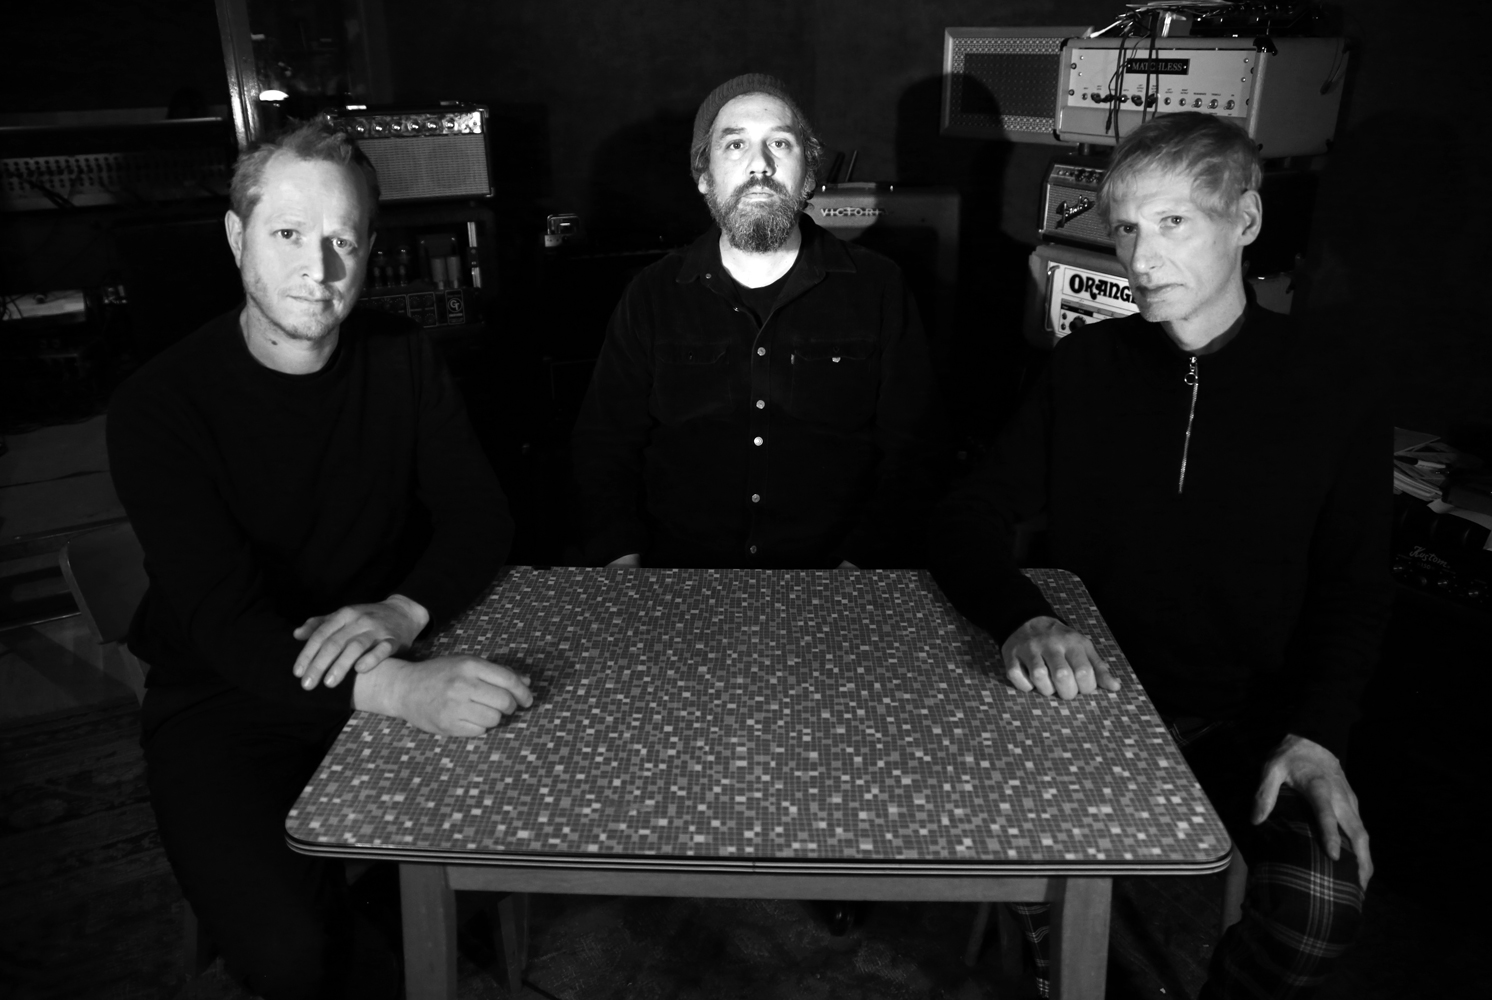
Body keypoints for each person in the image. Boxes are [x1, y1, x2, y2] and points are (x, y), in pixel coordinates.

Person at [930, 113, 1389, 999]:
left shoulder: (1337, 385)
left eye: (1173, 222)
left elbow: (1355, 587)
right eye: (1127, 229)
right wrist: (1026, 618)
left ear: (1245, 220)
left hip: (1252, 718)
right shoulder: (1086, 364)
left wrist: (1319, 735)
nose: (1142, 258)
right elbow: (967, 516)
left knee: (1318, 915)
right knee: (1046, 886)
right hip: (1093, 699)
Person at [107, 118, 533, 1000]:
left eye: (343, 240)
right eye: (289, 235)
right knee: (292, 958)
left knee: (540, 816)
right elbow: (224, 622)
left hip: (385, 643)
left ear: (370, 250)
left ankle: (386, 901)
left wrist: (403, 611)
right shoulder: (159, 406)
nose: (320, 268)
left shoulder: (403, 356)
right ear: (237, 238)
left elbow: (480, 516)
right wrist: (400, 691)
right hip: (227, 693)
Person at [572, 73, 944, 572]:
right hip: (678, 576)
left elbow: (915, 452)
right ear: (705, 177)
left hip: (834, 579)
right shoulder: (652, 294)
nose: (760, 164)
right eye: (735, 144)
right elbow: (603, 446)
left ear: (808, 174)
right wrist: (625, 565)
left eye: (780, 143)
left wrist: (857, 571)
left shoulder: (878, 287)